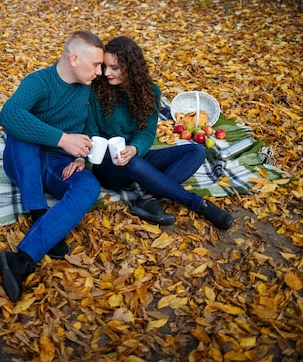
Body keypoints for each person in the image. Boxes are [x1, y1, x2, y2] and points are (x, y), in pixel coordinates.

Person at [63, 36, 233, 230]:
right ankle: (198, 204)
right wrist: (83, 159)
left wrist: (135, 148)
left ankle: (147, 198)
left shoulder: (150, 92)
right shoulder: (95, 90)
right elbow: (91, 132)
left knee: (196, 152)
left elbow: (146, 132)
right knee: (133, 162)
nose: (106, 72)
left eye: (115, 68)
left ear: (131, 68)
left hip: (134, 158)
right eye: (105, 66)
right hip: (109, 168)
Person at [0, 30, 104, 302]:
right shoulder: (39, 82)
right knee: (22, 131)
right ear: (75, 59)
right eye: (96, 65)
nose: (100, 72)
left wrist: (82, 157)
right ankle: (38, 213)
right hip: (22, 161)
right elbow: (8, 114)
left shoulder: (90, 89)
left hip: (59, 166)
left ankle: (21, 259)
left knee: (89, 187)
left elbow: (92, 129)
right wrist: (62, 138)